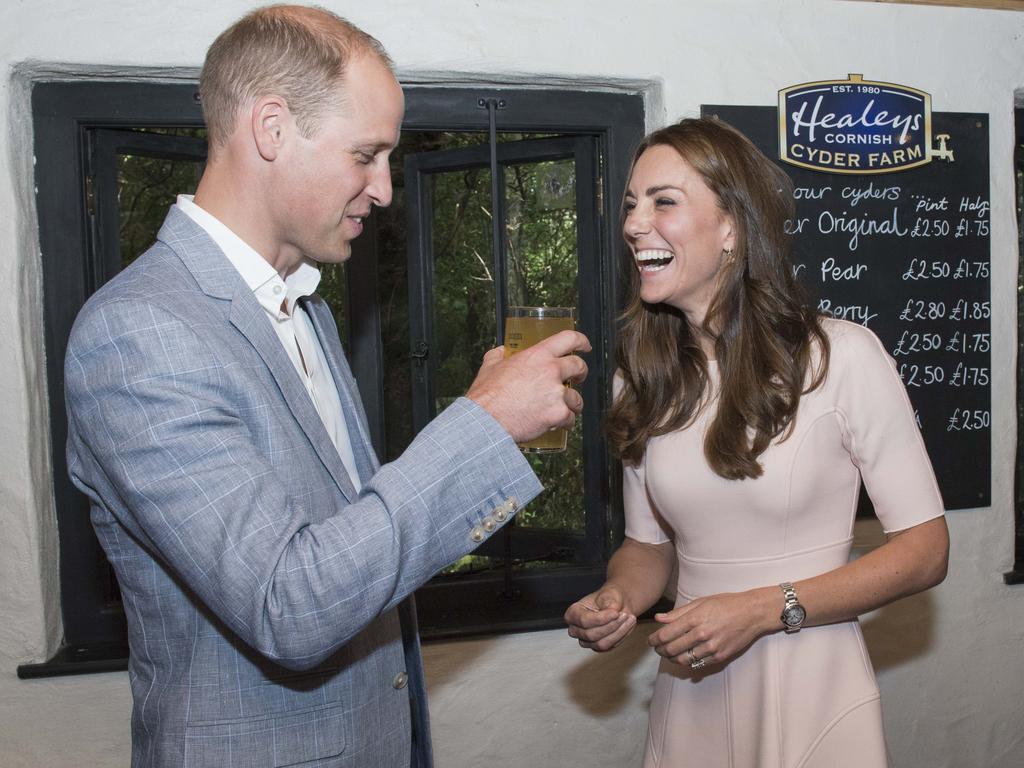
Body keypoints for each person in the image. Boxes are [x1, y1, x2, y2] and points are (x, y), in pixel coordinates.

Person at [64, 6, 589, 767]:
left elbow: (349, 546)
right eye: (366, 155)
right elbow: (289, 603)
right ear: (272, 129)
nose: (382, 190)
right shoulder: (138, 333)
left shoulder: (302, 308)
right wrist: (481, 424)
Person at [564, 117, 948, 767]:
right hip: (692, 684)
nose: (633, 224)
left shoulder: (841, 356)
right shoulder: (643, 375)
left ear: (731, 229)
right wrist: (617, 599)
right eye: (631, 205)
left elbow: (925, 551)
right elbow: (647, 548)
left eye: (663, 202)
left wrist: (768, 609)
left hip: (812, 681)